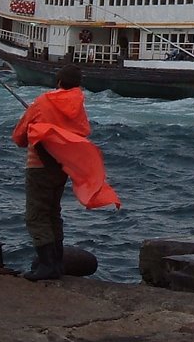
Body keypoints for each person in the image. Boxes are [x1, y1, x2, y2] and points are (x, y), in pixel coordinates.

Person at [12, 65, 120, 281]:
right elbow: (80, 133)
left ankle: (47, 266)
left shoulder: (43, 101)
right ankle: (56, 263)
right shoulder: (78, 105)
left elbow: (20, 137)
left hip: (39, 167)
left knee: (36, 215)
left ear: (59, 82)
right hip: (62, 167)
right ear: (78, 84)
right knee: (53, 213)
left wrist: (36, 120)